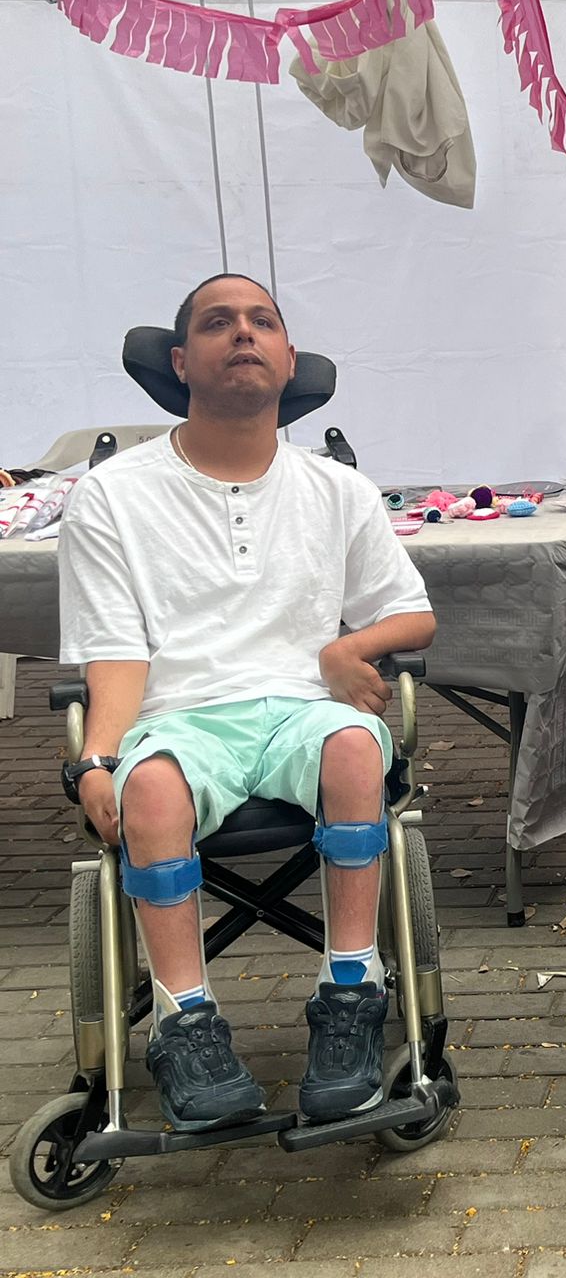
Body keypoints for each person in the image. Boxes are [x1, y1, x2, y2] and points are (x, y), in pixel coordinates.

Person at [57, 274, 437, 1130]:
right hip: (182, 718)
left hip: (301, 708)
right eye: (218, 323)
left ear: (289, 358)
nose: (244, 334)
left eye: (262, 321)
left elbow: (411, 612)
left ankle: (351, 991)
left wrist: (348, 648)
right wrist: (97, 759)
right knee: (147, 787)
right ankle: (185, 1022)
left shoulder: (338, 490)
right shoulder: (113, 496)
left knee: (355, 747)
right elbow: (115, 653)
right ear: (180, 360)